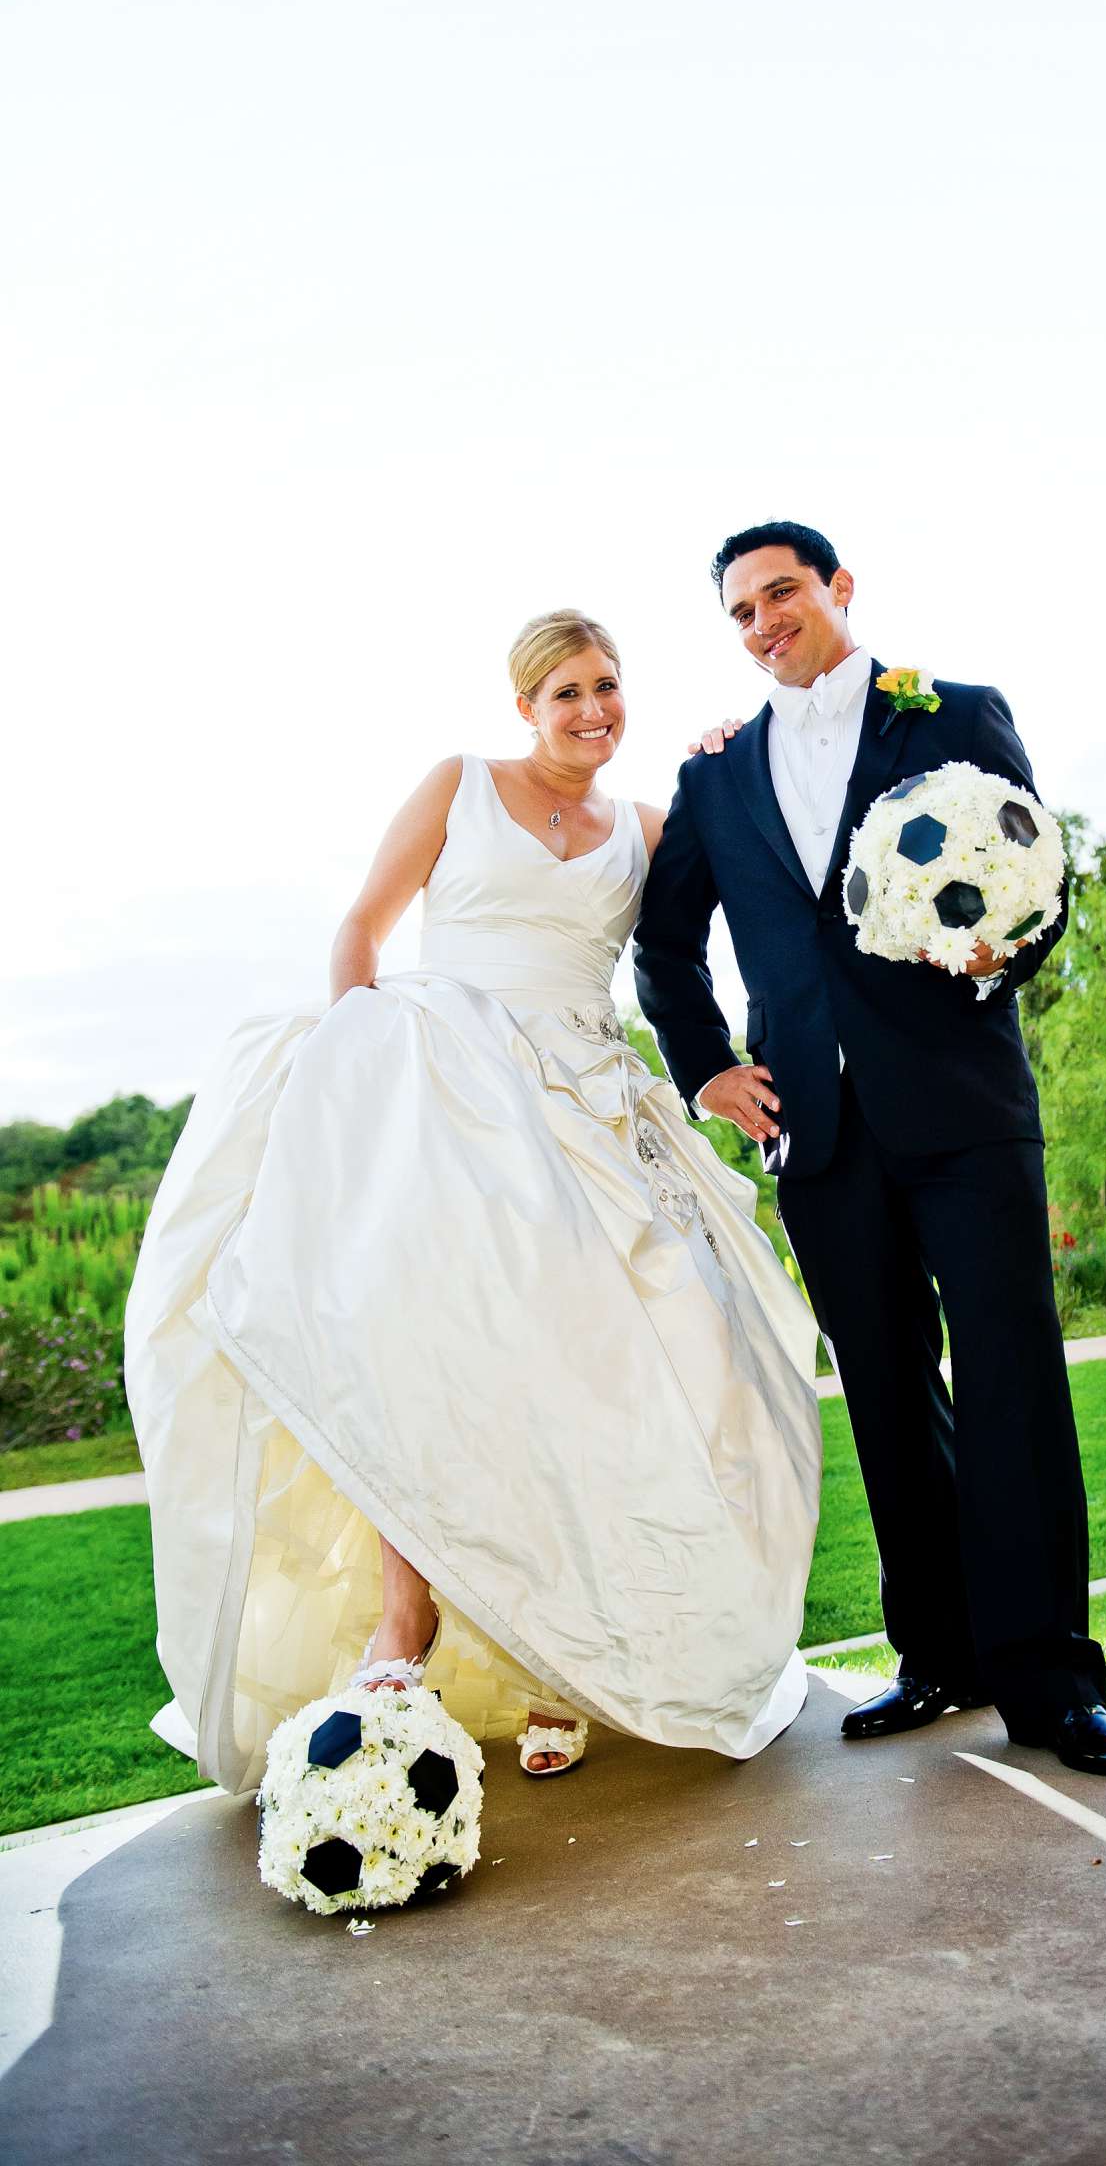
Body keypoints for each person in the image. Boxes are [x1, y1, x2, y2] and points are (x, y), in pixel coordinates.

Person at [124, 610, 821, 1796]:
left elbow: (711, 922)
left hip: (588, 1107)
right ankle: (408, 1617)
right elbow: (360, 927)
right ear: (525, 707)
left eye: (607, 685)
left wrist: (723, 759)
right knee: (417, 1363)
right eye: (565, 693)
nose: (592, 709)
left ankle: (572, 1659)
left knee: (611, 1370)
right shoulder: (459, 784)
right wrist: (359, 1069)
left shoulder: (650, 828)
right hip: (442, 1091)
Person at [634, 524, 1106, 1776]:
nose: (766, 624)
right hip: (818, 1127)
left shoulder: (955, 713)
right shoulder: (715, 779)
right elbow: (664, 943)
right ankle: (938, 1658)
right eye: (743, 612)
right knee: (886, 1394)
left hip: (964, 1107)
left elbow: (1041, 873)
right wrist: (706, 1067)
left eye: (783, 594)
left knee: (1013, 1378)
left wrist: (1002, 954)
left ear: (837, 588)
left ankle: (1052, 1683)